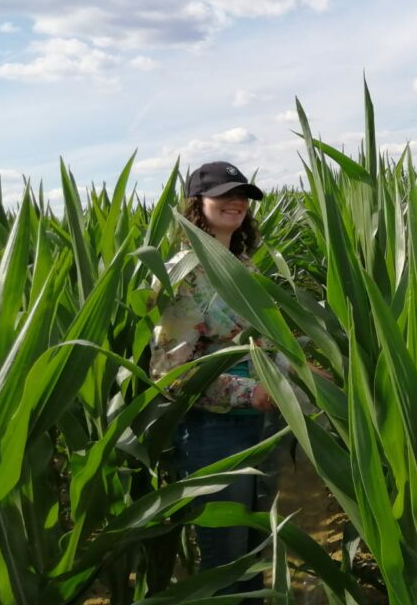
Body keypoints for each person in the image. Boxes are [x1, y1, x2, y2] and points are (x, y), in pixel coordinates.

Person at [150, 161, 276, 587]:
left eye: (241, 194)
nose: (235, 201)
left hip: (260, 426)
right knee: (224, 561)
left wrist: (303, 370)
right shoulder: (183, 275)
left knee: (256, 551)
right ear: (197, 205)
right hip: (213, 434)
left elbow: (264, 342)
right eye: (223, 194)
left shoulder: (245, 267)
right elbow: (172, 375)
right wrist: (250, 393)